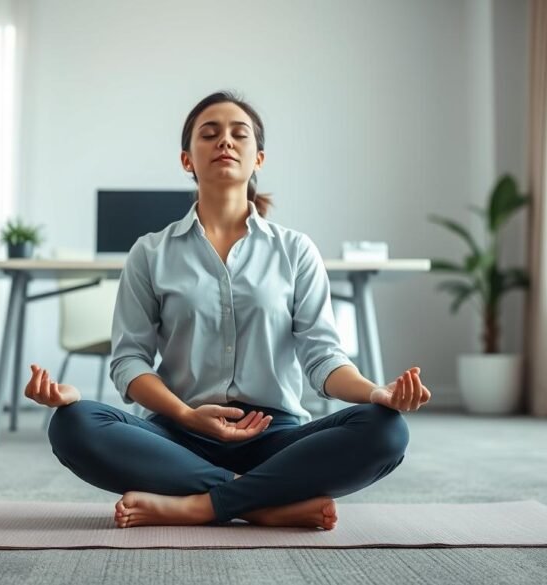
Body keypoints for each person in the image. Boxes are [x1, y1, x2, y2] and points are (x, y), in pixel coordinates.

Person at [25, 91, 431, 530]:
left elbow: (323, 358)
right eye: (210, 133)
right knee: (74, 423)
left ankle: (198, 505)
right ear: (187, 160)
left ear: (258, 158)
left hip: (275, 436)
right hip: (176, 435)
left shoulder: (295, 250)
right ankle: (260, 503)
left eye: (240, 134)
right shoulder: (150, 251)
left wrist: (376, 393)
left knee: (386, 429)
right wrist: (185, 414)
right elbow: (129, 362)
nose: (226, 142)